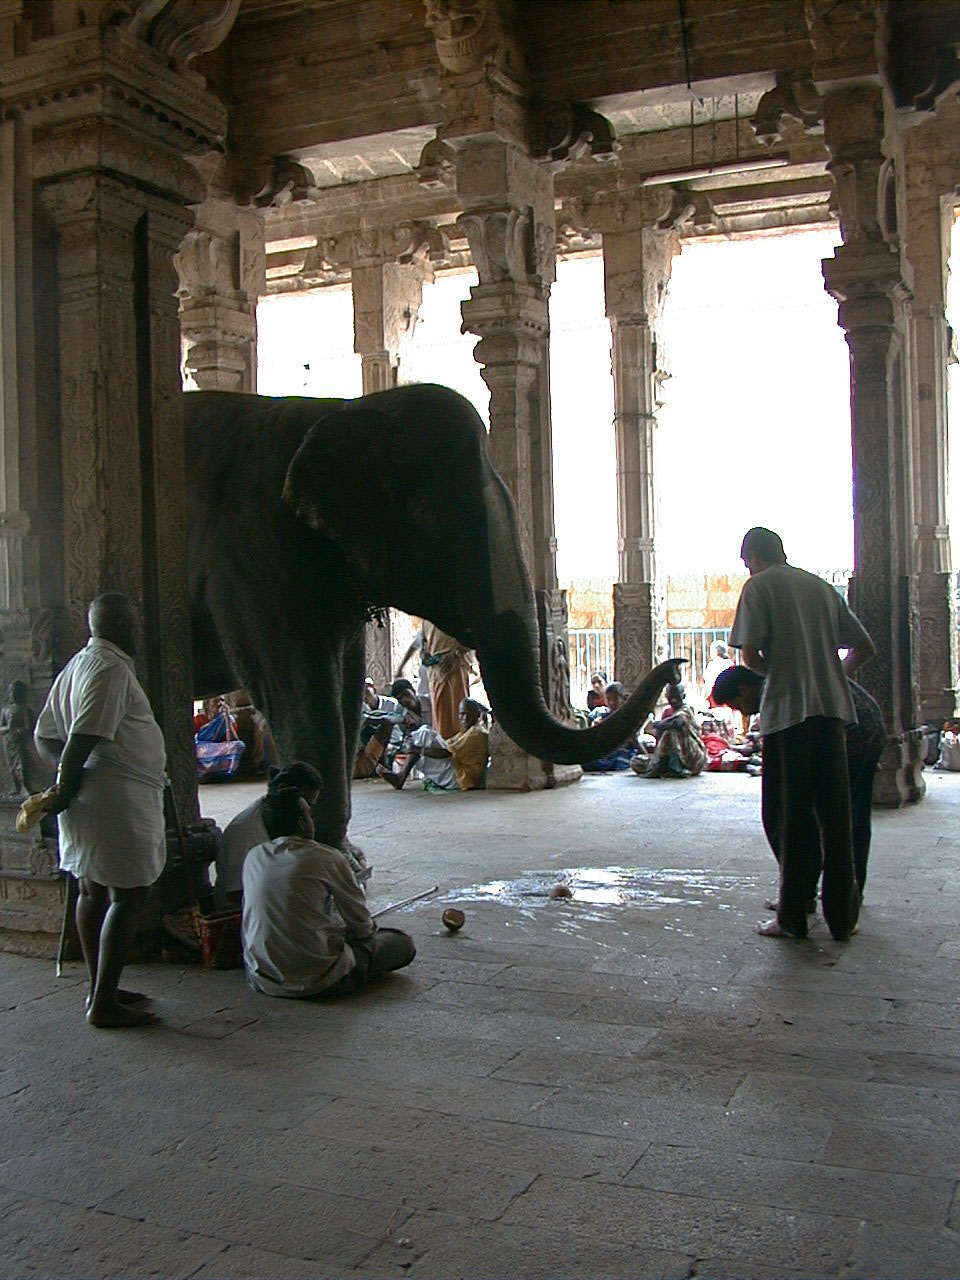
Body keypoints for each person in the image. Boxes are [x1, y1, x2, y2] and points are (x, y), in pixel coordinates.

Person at [729, 527, 876, 941]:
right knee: (835, 814)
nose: (747, 568)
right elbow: (865, 647)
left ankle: (793, 916)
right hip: (832, 714)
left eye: (746, 562)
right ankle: (843, 916)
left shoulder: (759, 587)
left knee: (788, 815)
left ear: (753, 556)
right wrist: (831, 675)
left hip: (789, 715)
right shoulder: (821, 587)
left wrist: (779, 672)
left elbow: (750, 654)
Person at [33, 593, 167, 1028]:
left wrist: (70, 782)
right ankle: (104, 1003)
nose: (139, 631)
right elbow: (81, 740)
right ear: (125, 627)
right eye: (135, 622)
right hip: (113, 800)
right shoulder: (109, 668)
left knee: (92, 890)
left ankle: (99, 988)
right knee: (130, 895)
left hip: (96, 796)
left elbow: (44, 736)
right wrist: (67, 785)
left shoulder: (81, 663)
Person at [711, 664, 886, 900]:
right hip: (871, 727)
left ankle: (810, 895)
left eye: (738, 705)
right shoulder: (783, 674)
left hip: (851, 735)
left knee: (821, 819)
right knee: (856, 815)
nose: (743, 713)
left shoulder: (772, 692)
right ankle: (849, 894)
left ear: (744, 690)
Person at [241, 786, 415, 998]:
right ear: (302, 824)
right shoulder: (325, 857)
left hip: (263, 977)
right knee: (401, 944)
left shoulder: (253, 857)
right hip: (320, 978)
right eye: (309, 816)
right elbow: (362, 928)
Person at [215, 761, 322, 905]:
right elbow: (235, 893)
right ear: (283, 789)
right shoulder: (245, 831)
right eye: (306, 803)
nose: (308, 812)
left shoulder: (280, 820)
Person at [377, 697, 489, 792]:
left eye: (468, 714)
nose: (464, 718)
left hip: (461, 779)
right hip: (457, 771)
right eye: (462, 714)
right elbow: (448, 743)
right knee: (424, 733)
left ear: (478, 714)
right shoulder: (469, 730)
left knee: (424, 735)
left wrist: (417, 749)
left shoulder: (476, 733)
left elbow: (446, 753)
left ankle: (401, 777)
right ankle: (401, 776)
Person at [631, 683, 707, 779]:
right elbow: (659, 735)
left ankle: (670, 768)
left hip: (692, 757)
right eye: (671, 696)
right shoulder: (667, 712)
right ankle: (667, 768)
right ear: (667, 696)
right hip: (667, 756)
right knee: (636, 762)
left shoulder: (686, 710)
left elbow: (677, 721)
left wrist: (657, 724)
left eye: (676, 696)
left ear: (683, 696)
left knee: (670, 732)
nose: (673, 699)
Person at [420, 620, 475, 741]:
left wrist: (454, 654)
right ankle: (443, 750)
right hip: (435, 673)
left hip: (455, 668)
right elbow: (424, 642)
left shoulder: (452, 612)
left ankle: (459, 750)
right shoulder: (426, 619)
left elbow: (472, 636)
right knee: (440, 720)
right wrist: (423, 653)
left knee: (458, 715)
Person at [582, 682, 640, 772]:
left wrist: (632, 739)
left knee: (619, 762)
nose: (611, 703)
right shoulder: (604, 717)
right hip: (606, 753)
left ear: (623, 699)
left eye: (615, 699)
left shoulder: (629, 719)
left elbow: (635, 744)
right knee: (586, 761)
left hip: (623, 753)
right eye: (608, 699)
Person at [1, 679, 34, 795]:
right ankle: (16, 787)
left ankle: (26, 786)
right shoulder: (5, 710)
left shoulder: (24, 709)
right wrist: (8, 728)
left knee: (22, 764)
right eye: (11, 692)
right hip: (8, 741)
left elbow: (28, 727)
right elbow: (2, 728)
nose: (13, 694)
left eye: (15, 692)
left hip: (19, 741)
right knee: (11, 766)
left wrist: (17, 731)